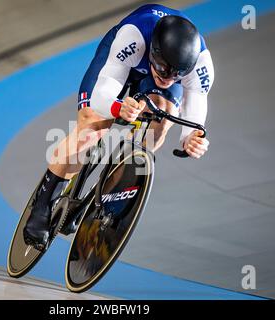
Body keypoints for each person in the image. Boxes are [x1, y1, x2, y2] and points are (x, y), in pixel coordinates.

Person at [23, 4, 215, 247]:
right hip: (119, 64)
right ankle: (42, 205)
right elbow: (102, 93)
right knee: (91, 127)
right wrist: (117, 108)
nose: (167, 78)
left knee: (162, 119)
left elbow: (195, 111)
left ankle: (109, 191)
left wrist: (190, 138)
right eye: (164, 69)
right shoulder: (133, 37)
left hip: (154, 66)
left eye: (176, 74)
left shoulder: (200, 65)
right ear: (154, 53)